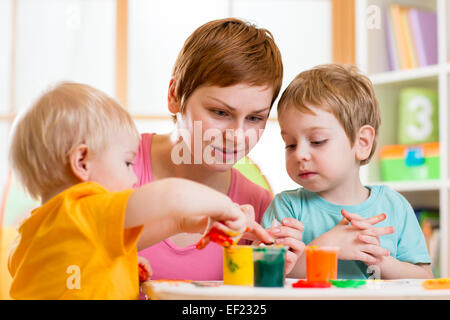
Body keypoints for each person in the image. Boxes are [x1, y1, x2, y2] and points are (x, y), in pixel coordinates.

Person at [7, 82, 271, 299]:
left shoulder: (34, 234)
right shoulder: (84, 208)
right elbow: (173, 195)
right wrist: (227, 207)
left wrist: (185, 224)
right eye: (126, 162)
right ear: (82, 162)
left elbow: (75, 275)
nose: (134, 177)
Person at [134, 18, 305, 281]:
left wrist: (266, 273)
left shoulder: (259, 207)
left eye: (254, 118)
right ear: (174, 96)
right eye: (220, 112)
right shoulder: (117, 166)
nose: (237, 137)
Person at [262, 64, 433, 279]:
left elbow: (424, 277)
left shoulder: (394, 206)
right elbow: (268, 274)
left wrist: (379, 259)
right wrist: (327, 247)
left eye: (317, 141)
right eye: (290, 144)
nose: (299, 154)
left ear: (362, 143)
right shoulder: (287, 208)